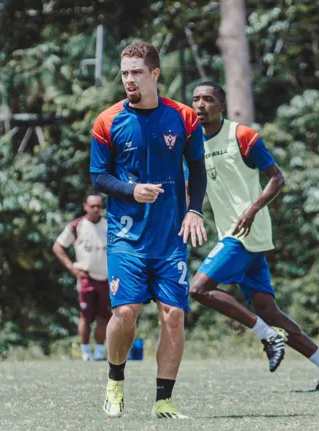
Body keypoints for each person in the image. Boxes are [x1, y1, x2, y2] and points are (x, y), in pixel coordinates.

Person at [188, 82, 319, 391]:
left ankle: (268, 336)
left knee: (198, 290)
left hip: (245, 232)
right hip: (231, 232)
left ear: (222, 105)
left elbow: (277, 177)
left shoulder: (243, 136)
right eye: (196, 99)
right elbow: (190, 185)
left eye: (208, 99)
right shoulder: (193, 144)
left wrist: (253, 208)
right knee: (267, 309)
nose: (200, 105)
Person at [90, 41, 208, 419]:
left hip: (170, 238)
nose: (129, 79)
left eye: (136, 72)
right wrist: (131, 190)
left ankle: (163, 400)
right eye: (124, 72)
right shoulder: (108, 121)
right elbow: (98, 177)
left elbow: (199, 171)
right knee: (126, 312)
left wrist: (194, 211)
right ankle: (115, 381)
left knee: (174, 314)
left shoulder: (185, 118)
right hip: (125, 237)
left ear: (155, 74)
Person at [52, 191, 110, 361]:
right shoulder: (77, 226)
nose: (95, 209)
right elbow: (58, 246)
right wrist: (72, 268)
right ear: (85, 206)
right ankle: (85, 352)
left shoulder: (109, 225)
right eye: (92, 206)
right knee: (85, 315)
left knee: (104, 316)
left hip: (106, 278)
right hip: (86, 278)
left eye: (99, 206)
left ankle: (99, 351)